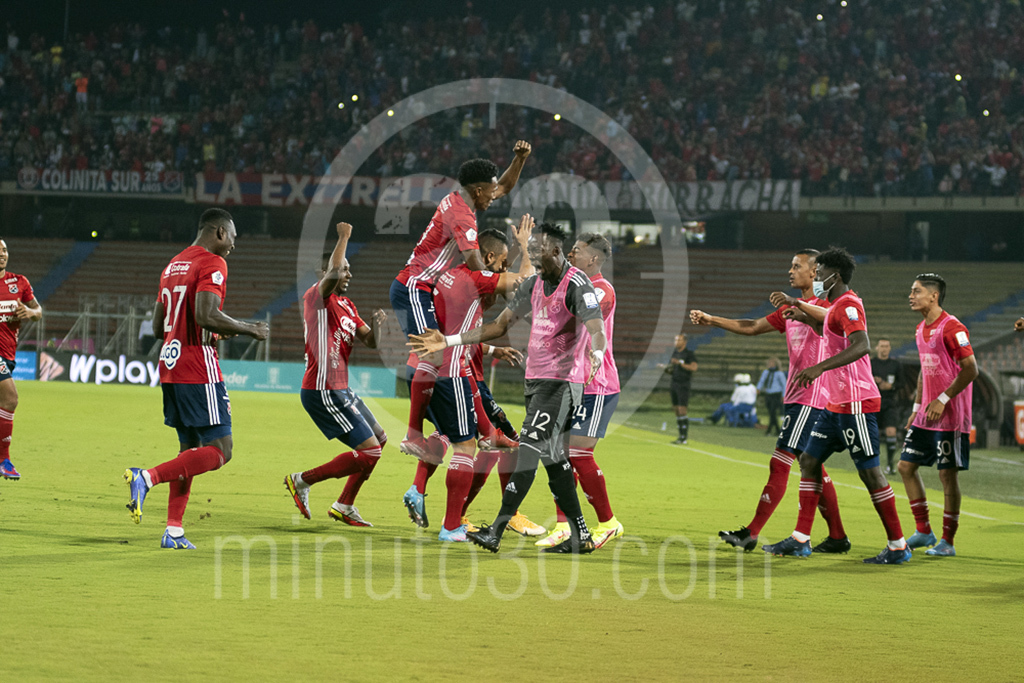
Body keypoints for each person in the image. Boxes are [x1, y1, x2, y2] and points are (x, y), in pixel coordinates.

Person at [409, 222, 607, 554]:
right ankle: (581, 535)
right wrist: (449, 340)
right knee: (555, 461)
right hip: (536, 382)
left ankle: (496, 531)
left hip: (561, 384)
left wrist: (597, 352)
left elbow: (596, 327)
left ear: (556, 250)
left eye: (537, 249)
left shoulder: (577, 284)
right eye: (530, 250)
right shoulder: (533, 284)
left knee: (526, 450)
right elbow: (499, 325)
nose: (532, 255)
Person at [124, 208, 269, 549]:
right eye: (232, 237)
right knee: (221, 450)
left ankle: (173, 530)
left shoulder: (172, 265)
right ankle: (146, 478)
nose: (233, 245)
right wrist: (248, 328)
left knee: (187, 452)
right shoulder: (212, 262)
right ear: (219, 232)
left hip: (170, 365)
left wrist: (215, 330)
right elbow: (206, 315)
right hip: (197, 367)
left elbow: (159, 327)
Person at [691, 249, 847, 553]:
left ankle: (752, 532)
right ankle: (838, 537)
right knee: (812, 465)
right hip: (796, 395)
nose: (790, 271)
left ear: (815, 272)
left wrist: (798, 306)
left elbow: (828, 323)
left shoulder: (825, 305)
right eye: (790, 266)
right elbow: (752, 326)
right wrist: (712, 320)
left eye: (797, 266)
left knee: (781, 460)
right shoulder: (790, 309)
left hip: (812, 396)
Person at [762, 246, 910, 564]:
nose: (817, 278)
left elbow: (861, 344)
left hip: (856, 401)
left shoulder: (849, 304)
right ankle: (801, 539)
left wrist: (819, 367)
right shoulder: (834, 306)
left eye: (821, 273)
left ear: (836, 276)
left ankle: (898, 545)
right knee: (809, 460)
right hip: (835, 403)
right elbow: (827, 327)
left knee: (870, 474)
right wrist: (801, 312)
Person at [389, 142, 531, 457]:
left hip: (425, 288)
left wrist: (519, 159)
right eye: (490, 192)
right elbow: (475, 264)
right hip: (415, 286)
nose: (495, 196)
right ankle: (414, 435)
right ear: (478, 190)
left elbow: (505, 186)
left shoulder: (465, 199)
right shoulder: (461, 214)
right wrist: (500, 277)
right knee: (435, 353)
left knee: (455, 354)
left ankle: (484, 432)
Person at [401, 219, 536, 541]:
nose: (503, 268)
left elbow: (462, 328)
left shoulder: (449, 274)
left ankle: (419, 489)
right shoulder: (475, 278)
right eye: (501, 262)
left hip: (422, 368)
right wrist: (524, 246)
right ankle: (453, 525)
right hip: (448, 372)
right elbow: (525, 282)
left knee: (449, 435)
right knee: (467, 446)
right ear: (488, 258)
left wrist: (492, 349)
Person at [284, 222, 388, 527]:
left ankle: (344, 505)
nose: (349, 275)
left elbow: (370, 342)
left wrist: (377, 325)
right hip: (322, 389)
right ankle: (302, 480)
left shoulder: (347, 306)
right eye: (345, 270)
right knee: (370, 452)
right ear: (326, 272)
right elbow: (333, 273)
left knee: (380, 440)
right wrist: (344, 236)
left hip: (342, 388)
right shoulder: (316, 298)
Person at [535, 232, 624, 549]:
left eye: (577, 250)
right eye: (570, 250)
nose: (570, 254)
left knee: (579, 453)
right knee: (558, 455)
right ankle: (564, 525)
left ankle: (608, 523)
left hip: (596, 384)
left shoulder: (601, 289)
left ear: (594, 259)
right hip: (570, 382)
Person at [899, 273, 977, 557]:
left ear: (934, 296)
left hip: (951, 415)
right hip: (926, 414)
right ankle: (923, 531)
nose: (911, 296)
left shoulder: (953, 327)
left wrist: (943, 399)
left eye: (917, 291)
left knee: (947, 474)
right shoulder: (920, 328)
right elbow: (925, 370)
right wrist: (916, 408)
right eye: (911, 291)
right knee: (905, 467)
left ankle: (948, 541)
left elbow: (971, 369)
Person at [0, 238, 43, 481]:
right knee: (10, 398)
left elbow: (38, 312)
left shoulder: (19, 282)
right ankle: (3, 460)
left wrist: (29, 312)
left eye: (5, 250)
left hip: (8, 354)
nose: (2, 254)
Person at [871, 338, 905, 473]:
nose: (884, 349)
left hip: (890, 403)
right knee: (871, 434)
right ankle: (871, 465)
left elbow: (902, 383)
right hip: (873, 403)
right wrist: (873, 381)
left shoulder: (895, 364)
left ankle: (890, 465)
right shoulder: (871, 363)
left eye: (886, 346)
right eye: (882, 346)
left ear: (890, 348)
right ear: (877, 348)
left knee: (891, 432)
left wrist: (891, 386)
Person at [660, 333, 697, 444]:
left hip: (683, 384)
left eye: (679, 340)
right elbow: (672, 370)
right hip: (674, 383)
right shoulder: (674, 354)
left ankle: (684, 437)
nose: (676, 342)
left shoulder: (689, 354)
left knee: (682, 410)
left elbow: (694, 367)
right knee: (676, 410)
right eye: (675, 340)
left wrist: (680, 364)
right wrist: (666, 368)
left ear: (685, 342)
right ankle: (680, 436)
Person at [757, 358, 786, 436]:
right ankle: (777, 430)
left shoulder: (779, 373)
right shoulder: (766, 372)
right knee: (770, 412)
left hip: (776, 394)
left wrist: (783, 395)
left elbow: (784, 385)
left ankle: (769, 430)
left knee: (773, 411)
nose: (770, 364)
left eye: (771, 363)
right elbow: (762, 380)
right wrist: (758, 388)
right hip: (768, 393)